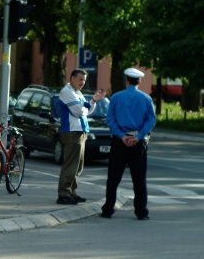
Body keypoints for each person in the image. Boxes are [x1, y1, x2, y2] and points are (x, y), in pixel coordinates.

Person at [101, 67, 157, 220]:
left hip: (119, 142)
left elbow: (110, 119)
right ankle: (141, 212)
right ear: (139, 81)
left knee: (113, 178)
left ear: (126, 80)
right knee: (139, 180)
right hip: (138, 143)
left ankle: (108, 210)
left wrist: (121, 135)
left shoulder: (116, 97)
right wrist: (138, 136)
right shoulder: (146, 99)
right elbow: (151, 120)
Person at [55, 68, 105, 205]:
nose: (82, 82)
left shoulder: (77, 93)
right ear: (72, 78)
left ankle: (71, 191)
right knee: (71, 164)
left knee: (78, 166)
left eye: (84, 80)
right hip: (72, 132)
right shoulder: (67, 92)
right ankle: (63, 193)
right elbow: (79, 112)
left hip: (80, 131)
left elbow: (87, 111)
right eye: (80, 79)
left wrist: (93, 100)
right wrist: (86, 106)